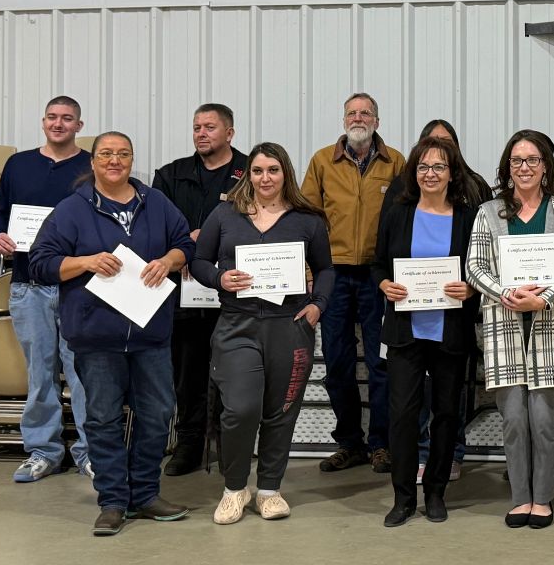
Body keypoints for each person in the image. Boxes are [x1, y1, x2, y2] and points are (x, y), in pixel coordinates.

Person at [28, 132, 195, 536]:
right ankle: (113, 501)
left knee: (157, 415)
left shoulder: (156, 202)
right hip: (96, 337)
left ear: (132, 159)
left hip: (151, 334)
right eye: (106, 153)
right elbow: (40, 263)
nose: (114, 160)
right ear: (93, 161)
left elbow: (184, 245)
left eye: (123, 154)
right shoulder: (72, 209)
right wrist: (84, 262)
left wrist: (169, 260)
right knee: (103, 419)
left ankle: (145, 494)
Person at [190, 142, 333, 525]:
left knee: (281, 412)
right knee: (240, 410)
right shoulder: (225, 214)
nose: (265, 178)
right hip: (237, 325)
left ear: (285, 173)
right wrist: (220, 278)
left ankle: (269, 489)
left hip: (290, 327)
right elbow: (199, 260)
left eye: (273, 170)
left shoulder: (307, 219)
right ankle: (235, 488)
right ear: (248, 175)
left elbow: (326, 268)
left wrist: (318, 305)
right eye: (257, 170)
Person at [467, 130, 554, 529]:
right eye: (517, 161)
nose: (525, 167)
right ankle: (520, 497)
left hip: (549, 326)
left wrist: (544, 299)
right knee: (515, 420)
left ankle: (543, 498)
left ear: (545, 166)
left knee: (544, 421)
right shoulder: (488, 212)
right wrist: (506, 293)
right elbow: (474, 267)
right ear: (507, 168)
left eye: (533, 159)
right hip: (504, 326)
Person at [0, 96, 93, 483]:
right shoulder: (19, 164)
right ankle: (43, 452)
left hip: (77, 286)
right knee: (40, 373)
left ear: (79, 125)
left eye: (67, 118)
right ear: (43, 122)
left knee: (83, 372)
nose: (58, 123)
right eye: (52, 117)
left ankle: (91, 452)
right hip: (28, 284)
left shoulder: (91, 166)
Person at [374, 136, 479, 526]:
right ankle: (403, 497)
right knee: (402, 416)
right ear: (413, 173)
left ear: (452, 173)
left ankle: (436, 491)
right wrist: (384, 284)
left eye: (438, 167)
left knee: (447, 414)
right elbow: (378, 264)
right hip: (406, 332)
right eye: (422, 167)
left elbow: (480, 269)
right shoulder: (398, 213)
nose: (430, 173)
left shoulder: (468, 217)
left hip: (450, 332)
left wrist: (470, 288)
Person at [301, 92, 405, 474]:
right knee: (338, 362)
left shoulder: (396, 162)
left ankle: (381, 444)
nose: (358, 118)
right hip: (334, 275)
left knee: (381, 364)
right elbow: (307, 219)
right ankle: (349, 443)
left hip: (378, 277)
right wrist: (309, 271)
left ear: (377, 121)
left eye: (365, 113)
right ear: (344, 120)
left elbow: (406, 219)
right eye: (351, 113)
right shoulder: (322, 162)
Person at [153, 103, 248, 476]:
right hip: (185, 290)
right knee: (187, 373)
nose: (201, 134)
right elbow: (154, 226)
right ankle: (189, 444)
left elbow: (264, 222)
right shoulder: (171, 175)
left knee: (234, 372)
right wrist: (183, 242)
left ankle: (229, 445)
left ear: (229, 133)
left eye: (210, 127)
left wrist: (209, 238)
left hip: (234, 290)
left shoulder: (249, 172)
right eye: (197, 128)